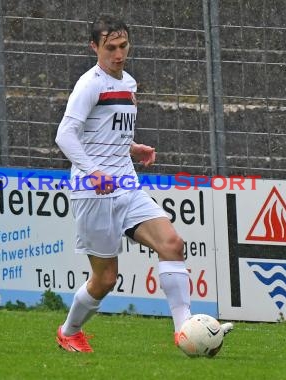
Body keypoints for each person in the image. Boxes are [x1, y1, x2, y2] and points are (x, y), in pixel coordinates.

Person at [55, 14, 230, 353]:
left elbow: (107, 131)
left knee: (172, 244)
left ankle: (184, 333)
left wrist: (132, 148)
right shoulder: (90, 84)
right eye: (110, 48)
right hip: (94, 193)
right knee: (105, 280)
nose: (118, 54)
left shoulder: (129, 83)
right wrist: (93, 171)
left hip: (126, 185)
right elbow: (65, 135)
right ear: (95, 47)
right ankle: (69, 331)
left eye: (123, 46)